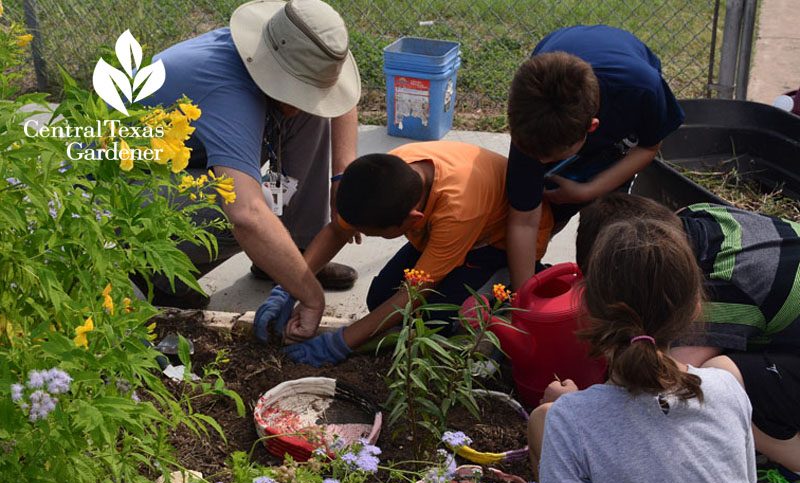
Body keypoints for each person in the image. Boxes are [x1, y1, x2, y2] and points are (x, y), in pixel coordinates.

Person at [137, 0, 360, 330]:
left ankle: (294, 255)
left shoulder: (289, 46)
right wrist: (312, 298)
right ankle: (157, 277)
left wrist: (343, 177)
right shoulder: (229, 90)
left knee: (309, 112)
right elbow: (247, 216)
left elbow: (338, 96)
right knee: (234, 207)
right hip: (119, 190)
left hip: (186, 158)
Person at [575, 193, 800, 483]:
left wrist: (581, 406)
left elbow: (663, 389)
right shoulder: (689, 217)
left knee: (717, 382)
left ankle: (795, 462)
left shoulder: (724, 288)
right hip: (786, 332)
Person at [527, 217, 757, 483]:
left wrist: (573, 411)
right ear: (695, 308)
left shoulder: (568, 421)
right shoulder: (728, 387)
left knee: (542, 419)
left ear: (588, 308)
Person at [261, 141, 553, 366]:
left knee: (435, 321)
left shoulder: (457, 210)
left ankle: (511, 282)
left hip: (498, 244)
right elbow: (337, 230)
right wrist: (287, 289)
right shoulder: (389, 173)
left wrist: (338, 344)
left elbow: (415, 291)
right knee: (379, 299)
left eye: (373, 234)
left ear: (413, 219)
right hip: (451, 236)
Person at [504, 25, 685, 291]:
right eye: (535, 156)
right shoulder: (533, 118)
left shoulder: (642, 90)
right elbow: (523, 221)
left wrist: (588, 191)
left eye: (551, 158)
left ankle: (597, 292)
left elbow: (647, 147)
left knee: (607, 226)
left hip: (622, 99)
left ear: (592, 127)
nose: (541, 163)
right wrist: (523, 303)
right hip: (565, 101)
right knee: (542, 206)